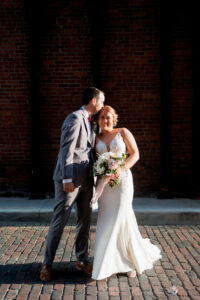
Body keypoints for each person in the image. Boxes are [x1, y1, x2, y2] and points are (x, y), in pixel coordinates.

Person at [40, 87, 105, 281]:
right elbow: (66, 150)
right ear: (93, 101)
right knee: (59, 221)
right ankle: (47, 264)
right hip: (69, 180)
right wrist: (67, 179)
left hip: (86, 180)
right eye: (101, 101)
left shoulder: (91, 122)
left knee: (84, 221)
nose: (102, 105)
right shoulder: (75, 118)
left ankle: (82, 259)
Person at [92, 105, 162, 280]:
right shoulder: (95, 138)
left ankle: (127, 261)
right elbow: (94, 160)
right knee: (107, 219)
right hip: (105, 184)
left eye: (108, 117)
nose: (105, 120)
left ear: (114, 119)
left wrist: (121, 168)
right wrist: (100, 171)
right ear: (98, 120)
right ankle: (111, 261)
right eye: (102, 117)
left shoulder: (122, 132)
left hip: (122, 181)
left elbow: (135, 154)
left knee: (120, 217)